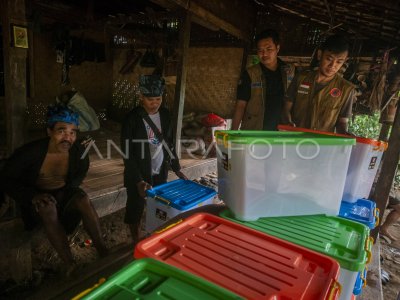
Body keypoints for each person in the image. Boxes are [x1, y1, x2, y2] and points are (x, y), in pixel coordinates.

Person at [0, 105, 108, 275]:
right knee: (47, 207)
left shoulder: (77, 150)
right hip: (37, 196)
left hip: (63, 192)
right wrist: (32, 195)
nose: (68, 137)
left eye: (73, 132)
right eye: (61, 131)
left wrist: (70, 189)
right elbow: (6, 179)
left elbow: (82, 170)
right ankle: (70, 263)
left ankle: (103, 250)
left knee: (83, 199)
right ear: (49, 132)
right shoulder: (30, 153)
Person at [121, 74, 187, 244]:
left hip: (159, 167)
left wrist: (177, 167)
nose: (155, 103)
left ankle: (155, 233)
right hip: (138, 170)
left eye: (158, 99)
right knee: (135, 205)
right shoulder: (131, 119)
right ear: (141, 97)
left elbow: (169, 143)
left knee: (159, 203)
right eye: (150, 99)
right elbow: (127, 154)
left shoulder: (165, 115)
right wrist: (137, 181)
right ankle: (135, 239)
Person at [282, 34, 356, 133]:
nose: (332, 66)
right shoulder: (300, 78)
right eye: (329, 59)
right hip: (296, 141)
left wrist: (346, 135)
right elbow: (285, 108)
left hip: (323, 145)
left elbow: (342, 123)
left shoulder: (346, 89)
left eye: (339, 62)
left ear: (344, 61)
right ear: (320, 55)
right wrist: (288, 123)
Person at [231, 29, 295, 131]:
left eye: (269, 49)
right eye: (260, 50)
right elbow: (241, 105)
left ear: (277, 48)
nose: (264, 54)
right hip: (254, 131)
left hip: (281, 132)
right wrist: (233, 131)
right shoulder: (250, 74)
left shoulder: (290, 72)